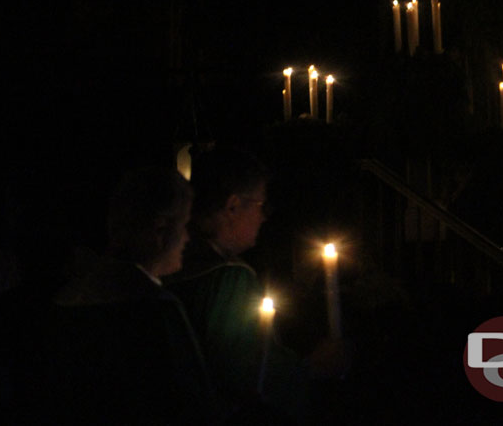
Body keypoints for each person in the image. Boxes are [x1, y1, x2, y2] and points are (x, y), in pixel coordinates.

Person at [166, 148, 346, 424]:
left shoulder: (170, 266)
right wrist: (310, 368)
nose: (264, 217)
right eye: (261, 205)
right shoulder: (229, 279)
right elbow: (247, 371)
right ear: (233, 206)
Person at [45, 166, 218, 424]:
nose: (187, 238)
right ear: (160, 230)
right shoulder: (156, 310)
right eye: (183, 225)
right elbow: (192, 405)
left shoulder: (67, 300)